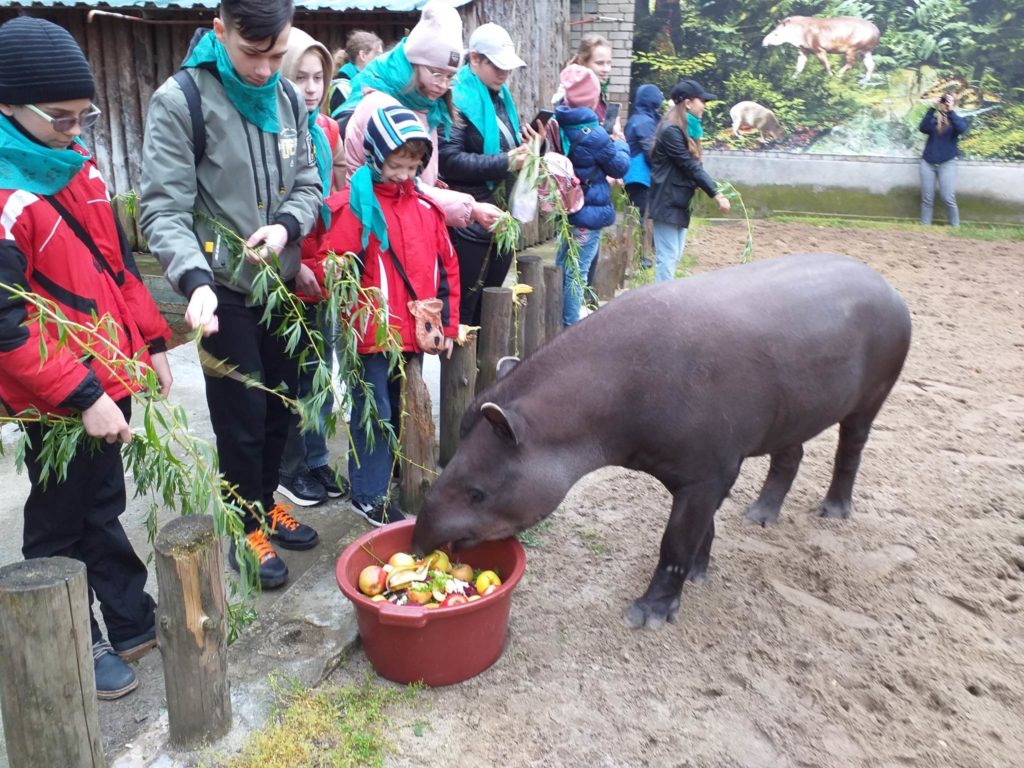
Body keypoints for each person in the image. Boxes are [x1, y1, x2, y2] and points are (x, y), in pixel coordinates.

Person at [0, 16, 172, 698]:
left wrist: (151, 341)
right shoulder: (8, 201)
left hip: (108, 373)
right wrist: (81, 395)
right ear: (9, 105)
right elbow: (8, 327)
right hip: (57, 394)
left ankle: (128, 613)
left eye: (84, 115)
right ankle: (73, 633)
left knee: (105, 498)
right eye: (61, 117)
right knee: (58, 516)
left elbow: (117, 265)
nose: (77, 128)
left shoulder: (79, 166)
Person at [139, 0, 323, 590]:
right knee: (240, 419)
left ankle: (267, 503)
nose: (267, 71)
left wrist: (287, 227)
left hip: (282, 287)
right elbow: (163, 211)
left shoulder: (289, 99)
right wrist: (195, 279)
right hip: (223, 293)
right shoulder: (182, 102)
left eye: (279, 55)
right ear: (220, 30)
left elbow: (309, 183)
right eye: (253, 54)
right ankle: (244, 526)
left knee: (280, 409)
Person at [316, 105, 460, 526]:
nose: (404, 174)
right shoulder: (353, 208)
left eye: (413, 166)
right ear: (376, 158)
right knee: (372, 409)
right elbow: (333, 269)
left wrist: (447, 325)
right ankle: (369, 493)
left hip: (412, 330)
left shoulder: (426, 210)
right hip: (370, 335)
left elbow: (447, 266)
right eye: (396, 165)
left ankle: (392, 469)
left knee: (399, 403)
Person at [335, 0, 503, 233]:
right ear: (415, 63)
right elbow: (404, 184)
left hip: (403, 218)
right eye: (436, 73)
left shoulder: (424, 102)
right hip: (376, 225)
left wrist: (434, 183)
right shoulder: (383, 106)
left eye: (450, 76)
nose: (442, 85)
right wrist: (470, 207)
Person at [274, 27, 348, 507]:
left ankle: (318, 461)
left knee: (322, 372)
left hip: (325, 266)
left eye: (318, 76)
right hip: (289, 268)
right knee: (291, 376)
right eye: (299, 76)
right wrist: (295, 259)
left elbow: (333, 194)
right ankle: (290, 467)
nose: (310, 88)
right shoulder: (274, 131)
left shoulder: (325, 129)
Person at [440, 22, 536, 326]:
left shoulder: (500, 96)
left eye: (507, 66)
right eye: (496, 65)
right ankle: (459, 374)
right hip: (468, 220)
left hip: (500, 216)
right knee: (465, 308)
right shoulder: (457, 98)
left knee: (492, 302)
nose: (504, 72)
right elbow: (449, 161)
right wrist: (505, 162)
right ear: (474, 60)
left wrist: (528, 143)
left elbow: (502, 144)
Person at [552, 64, 630, 327]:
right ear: (592, 99)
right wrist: (619, 142)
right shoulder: (594, 134)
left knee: (563, 265)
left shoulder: (559, 122)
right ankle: (570, 326)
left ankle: (557, 318)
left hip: (569, 209)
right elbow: (619, 167)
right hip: (587, 211)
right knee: (578, 272)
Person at [647, 79, 731, 283]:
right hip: (667, 202)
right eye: (702, 101)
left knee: (674, 256)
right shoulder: (671, 131)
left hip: (678, 201)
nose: (705, 106)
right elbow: (689, 165)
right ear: (688, 103)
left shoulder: (686, 130)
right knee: (667, 258)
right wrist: (716, 193)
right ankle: (662, 307)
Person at [622, 84, 664, 269]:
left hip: (634, 175)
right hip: (639, 176)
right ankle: (637, 259)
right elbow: (651, 151)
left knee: (636, 217)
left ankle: (637, 257)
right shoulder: (644, 121)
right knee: (637, 219)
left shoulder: (639, 118)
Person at [919, 93, 967, 227]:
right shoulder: (933, 121)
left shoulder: (957, 120)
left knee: (948, 197)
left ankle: (955, 227)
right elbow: (922, 128)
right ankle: (925, 226)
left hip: (947, 163)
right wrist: (932, 108)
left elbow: (962, 129)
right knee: (927, 198)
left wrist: (950, 111)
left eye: (949, 101)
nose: (945, 103)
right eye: (944, 101)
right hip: (927, 163)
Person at [327, 30, 383, 119]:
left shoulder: (367, 83)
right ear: (363, 55)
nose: (381, 60)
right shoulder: (342, 88)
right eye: (377, 54)